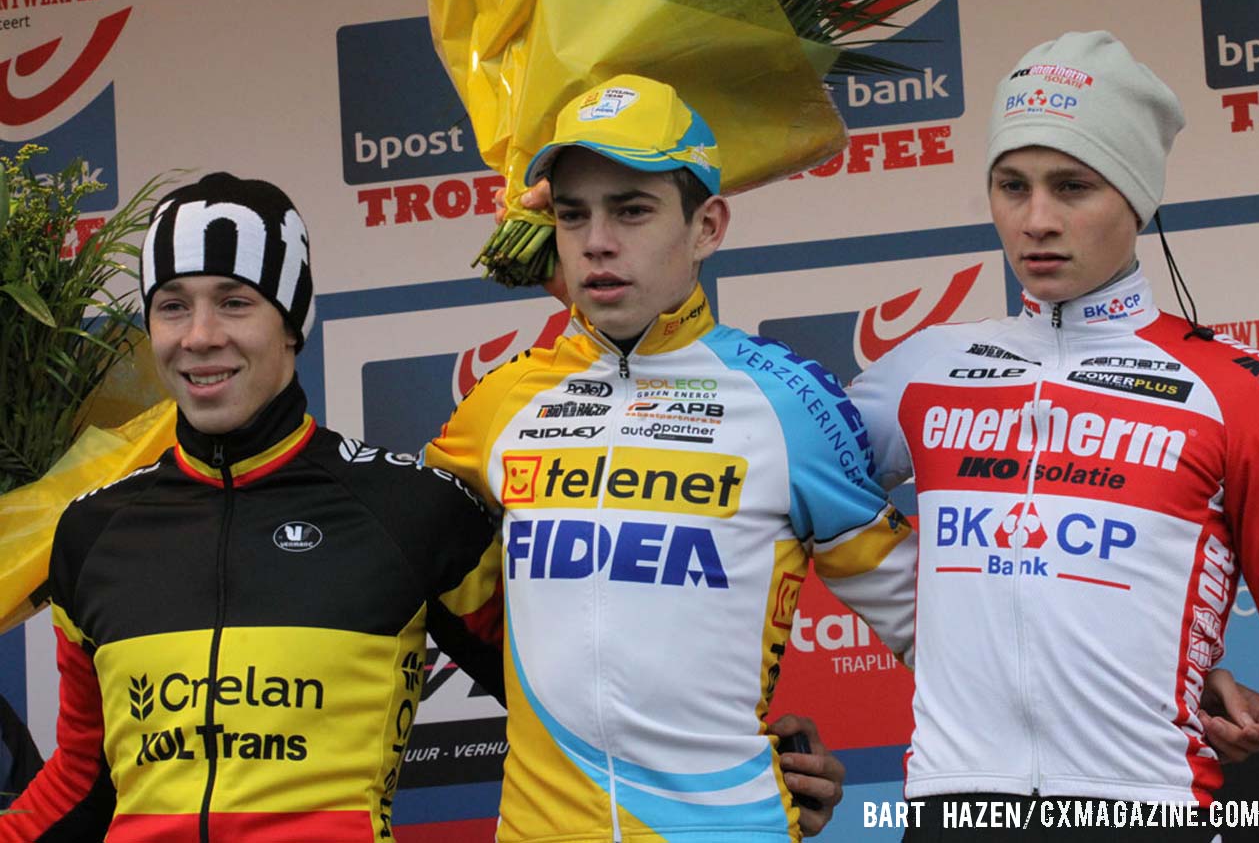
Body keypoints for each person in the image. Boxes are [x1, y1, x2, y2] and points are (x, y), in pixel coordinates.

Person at [424, 74, 918, 843]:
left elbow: (938, 632)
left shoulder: (790, 404)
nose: (596, 241)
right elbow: (416, 572)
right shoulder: (501, 406)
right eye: (572, 214)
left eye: (632, 210)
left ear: (708, 226)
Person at [847, 31, 1259, 839]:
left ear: (1137, 196)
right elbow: (771, 483)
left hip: (1148, 806)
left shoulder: (1235, 389)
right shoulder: (928, 365)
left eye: (1072, 186)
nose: (1036, 221)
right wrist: (926, 621)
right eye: (1012, 185)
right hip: (954, 806)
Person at [0, 173, 501, 842]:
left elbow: (567, 713)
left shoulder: (411, 509)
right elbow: (84, 778)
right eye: (172, 306)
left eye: (235, 302)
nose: (200, 336)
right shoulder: (93, 532)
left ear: (292, 326)